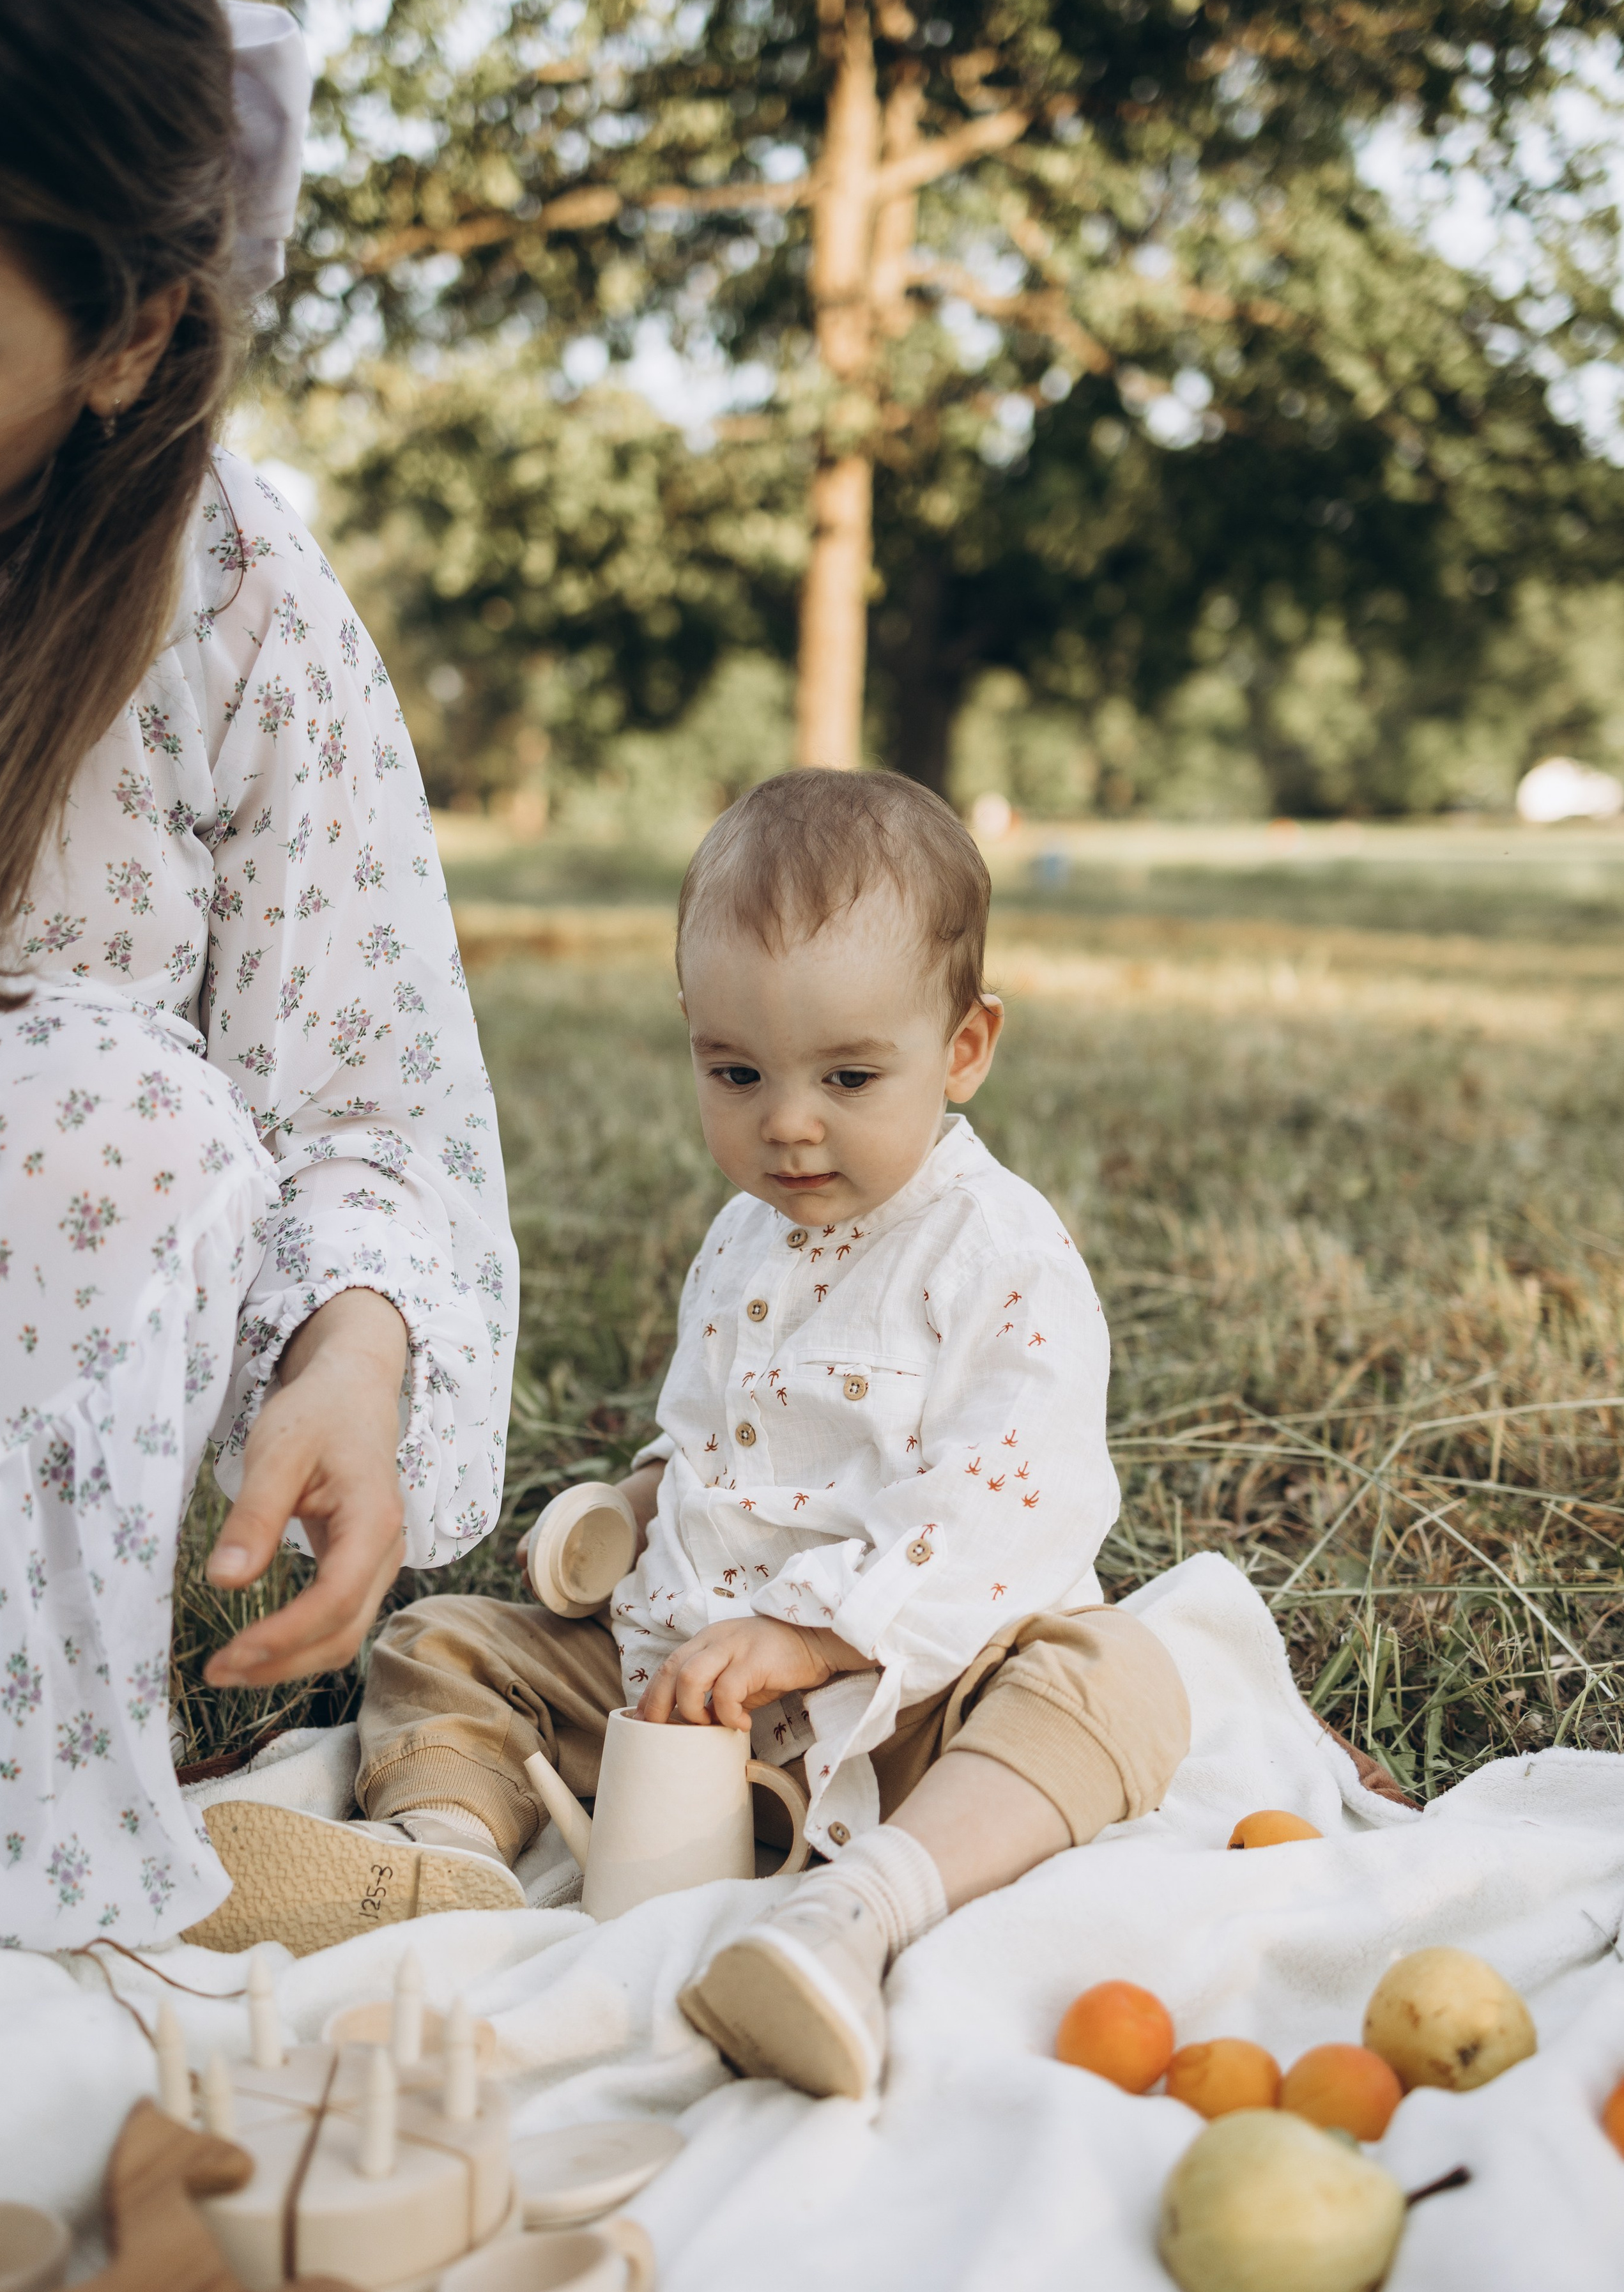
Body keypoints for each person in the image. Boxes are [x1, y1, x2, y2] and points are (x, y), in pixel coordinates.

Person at [236, 768, 1191, 2095]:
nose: (785, 1122)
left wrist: (810, 1635)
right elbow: (710, 1443)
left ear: (964, 1047)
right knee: (440, 1639)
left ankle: (859, 1912)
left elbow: (1010, 1495)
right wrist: (624, 1513)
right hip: (678, 1691)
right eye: (734, 1071)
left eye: (848, 1075)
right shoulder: (747, 1235)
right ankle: (447, 1864)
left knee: (1115, 1676)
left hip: (902, 1703)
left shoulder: (996, 1255)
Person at [0, 0, 518, 1951]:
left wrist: (356, 1346)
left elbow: (361, 1092)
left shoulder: (227, 607)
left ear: (128, 335)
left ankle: (47, 1808)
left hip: (79, 1345)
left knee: (125, 1118)